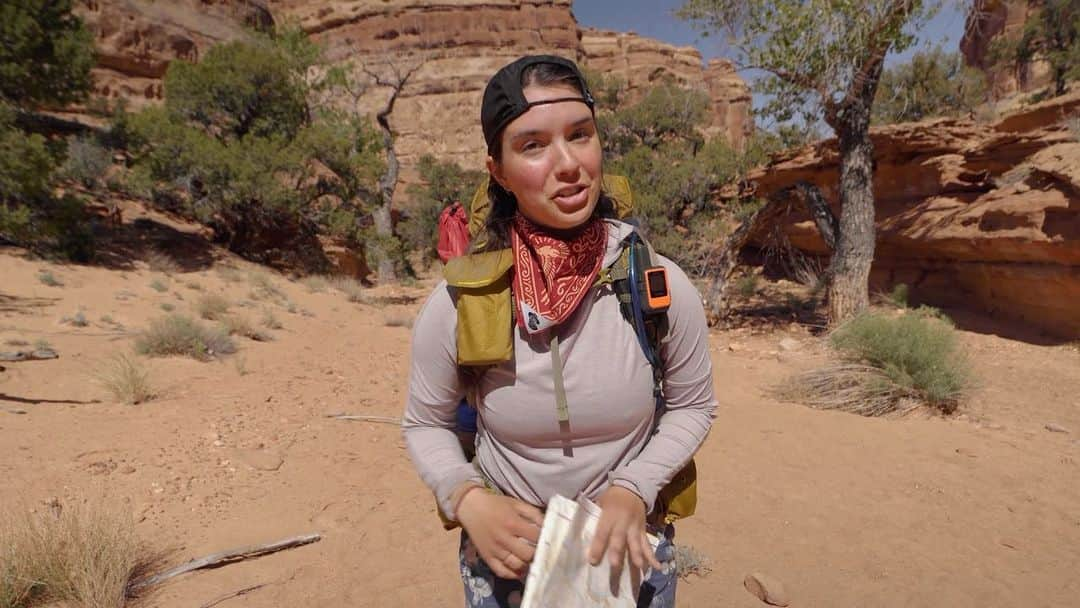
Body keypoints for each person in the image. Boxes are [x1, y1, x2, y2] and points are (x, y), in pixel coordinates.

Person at [403, 55, 717, 607]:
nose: (568, 163)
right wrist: (468, 500)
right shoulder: (461, 300)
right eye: (532, 145)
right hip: (512, 563)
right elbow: (425, 422)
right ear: (497, 170)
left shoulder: (655, 283)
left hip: (626, 555)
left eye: (580, 135)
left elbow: (694, 407)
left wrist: (633, 489)